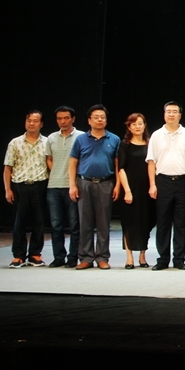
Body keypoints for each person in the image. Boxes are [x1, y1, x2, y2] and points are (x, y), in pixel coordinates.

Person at [69, 105, 122, 270]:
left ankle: (102, 257)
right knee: (84, 222)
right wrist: (72, 185)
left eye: (102, 117)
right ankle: (86, 257)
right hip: (84, 183)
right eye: (96, 117)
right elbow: (73, 162)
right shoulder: (81, 139)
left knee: (103, 222)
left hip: (106, 183)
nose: (100, 120)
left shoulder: (114, 139)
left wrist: (117, 185)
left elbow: (117, 164)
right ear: (89, 120)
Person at [147, 101, 185, 271]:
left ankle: (179, 259)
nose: (171, 114)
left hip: (182, 181)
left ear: (180, 115)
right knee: (163, 222)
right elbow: (151, 161)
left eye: (175, 111)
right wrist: (152, 184)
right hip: (163, 181)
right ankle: (163, 259)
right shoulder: (156, 135)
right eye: (168, 111)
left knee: (181, 223)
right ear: (164, 114)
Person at [4, 110, 50, 268]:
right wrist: (8, 189)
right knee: (19, 222)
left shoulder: (47, 142)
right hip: (20, 185)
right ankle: (18, 255)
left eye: (35, 121)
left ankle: (35, 254)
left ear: (41, 124)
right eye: (29, 120)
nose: (31, 123)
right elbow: (7, 167)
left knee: (39, 221)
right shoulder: (15, 142)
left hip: (40, 184)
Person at [45, 106, 81, 268]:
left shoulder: (81, 137)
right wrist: (56, 171)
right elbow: (48, 158)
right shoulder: (51, 138)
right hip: (54, 186)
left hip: (73, 186)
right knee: (56, 225)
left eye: (66, 118)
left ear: (73, 119)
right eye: (59, 118)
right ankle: (59, 256)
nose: (63, 121)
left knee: (74, 225)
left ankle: (73, 257)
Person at [117, 113, 154, 269]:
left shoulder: (150, 143)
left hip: (147, 188)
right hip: (130, 187)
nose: (137, 126)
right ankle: (129, 257)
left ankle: (142, 256)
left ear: (144, 125)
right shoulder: (124, 144)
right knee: (129, 222)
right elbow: (121, 169)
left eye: (140, 123)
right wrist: (127, 190)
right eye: (134, 124)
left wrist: (153, 185)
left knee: (146, 222)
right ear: (129, 127)